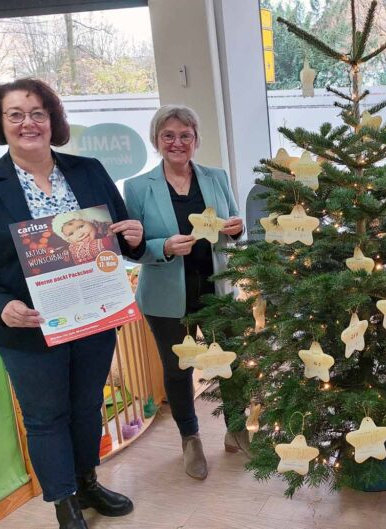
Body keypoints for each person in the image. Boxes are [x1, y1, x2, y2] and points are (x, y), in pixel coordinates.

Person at [0, 79, 144, 529]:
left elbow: (119, 234)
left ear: (52, 120)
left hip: (94, 317)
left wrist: (134, 238)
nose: (29, 122)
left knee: (87, 407)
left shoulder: (87, 170)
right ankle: (63, 501)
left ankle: (87, 481)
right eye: (16, 114)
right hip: (27, 326)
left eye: (38, 112)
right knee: (46, 417)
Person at [123, 105, 246, 480]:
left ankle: (236, 429)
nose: (177, 143)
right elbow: (131, 248)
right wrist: (163, 247)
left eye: (185, 135)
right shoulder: (138, 187)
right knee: (178, 371)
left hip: (217, 290)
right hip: (164, 298)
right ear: (157, 140)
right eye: (169, 136)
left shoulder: (216, 176)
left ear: (195, 140)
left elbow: (234, 225)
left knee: (232, 363)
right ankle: (190, 439)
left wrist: (236, 229)